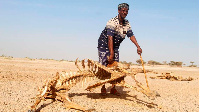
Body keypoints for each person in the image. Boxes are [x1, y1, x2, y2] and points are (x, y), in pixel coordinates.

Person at [97, 3, 142, 95]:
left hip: (115, 46)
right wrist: (111, 53)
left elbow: (131, 35)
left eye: (126, 11)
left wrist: (138, 46)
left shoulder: (127, 23)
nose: (125, 12)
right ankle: (103, 87)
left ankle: (113, 88)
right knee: (104, 67)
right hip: (104, 45)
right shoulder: (112, 22)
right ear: (118, 11)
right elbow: (110, 38)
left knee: (115, 67)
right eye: (123, 10)